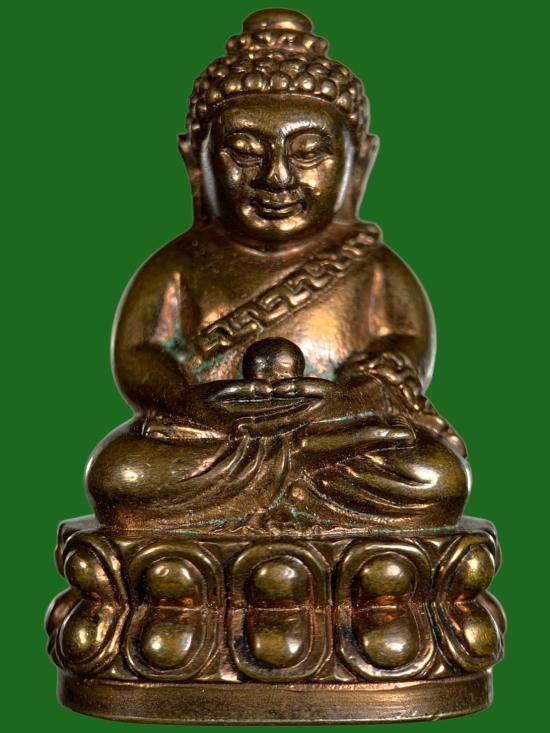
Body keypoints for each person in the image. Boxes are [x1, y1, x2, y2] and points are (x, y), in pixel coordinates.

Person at [86, 9, 469, 532]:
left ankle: (280, 490)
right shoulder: (180, 264)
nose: (277, 178)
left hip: (333, 433)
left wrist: (352, 395)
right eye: (245, 152)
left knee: (436, 477)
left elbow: (404, 349)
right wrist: (194, 404)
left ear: (360, 163)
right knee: (121, 476)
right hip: (217, 434)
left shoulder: (372, 266)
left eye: (309, 152)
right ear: (195, 162)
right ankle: (282, 491)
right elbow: (137, 353)